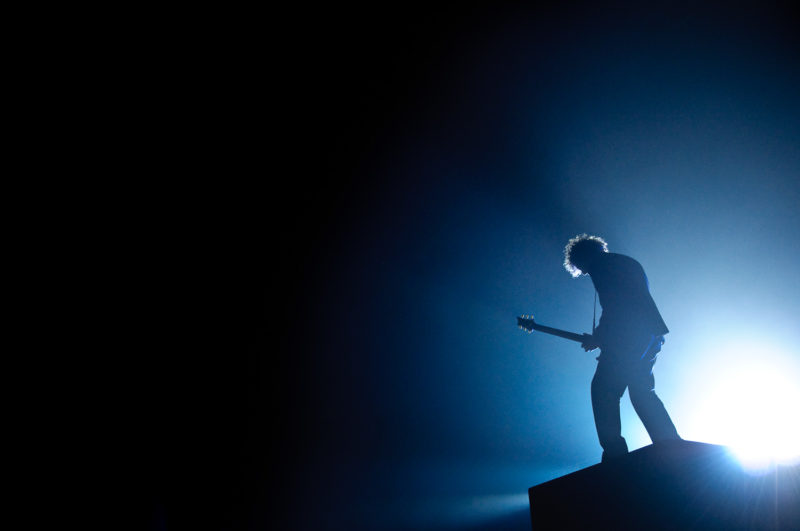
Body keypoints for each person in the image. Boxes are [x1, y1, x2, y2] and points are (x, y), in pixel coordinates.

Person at [564, 234, 681, 462]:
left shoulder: (602, 267)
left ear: (583, 257)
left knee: (603, 392)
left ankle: (615, 455)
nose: (586, 274)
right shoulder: (625, 262)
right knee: (641, 391)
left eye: (583, 268)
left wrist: (601, 337)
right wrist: (601, 337)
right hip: (649, 334)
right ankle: (670, 443)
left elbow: (617, 307)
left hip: (627, 340)